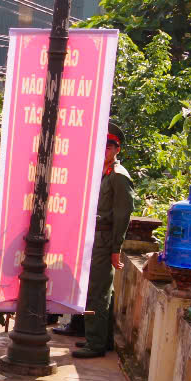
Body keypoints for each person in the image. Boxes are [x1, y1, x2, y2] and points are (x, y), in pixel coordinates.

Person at [73, 122, 134, 359]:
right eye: (102, 146)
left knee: (96, 292)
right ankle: (101, 339)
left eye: (109, 146)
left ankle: (95, 343)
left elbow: (122, 215)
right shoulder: (102, 173)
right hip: (95, 237)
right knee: (101, 290)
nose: (105, 150)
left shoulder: (118, 177)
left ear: (117, 149)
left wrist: (116, 248)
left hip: (105, 239)